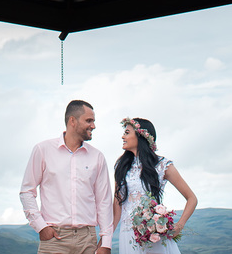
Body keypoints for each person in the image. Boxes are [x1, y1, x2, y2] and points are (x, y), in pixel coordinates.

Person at [20, 99, 114, 254]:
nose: (93, 126)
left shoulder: (97, 157)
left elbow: (103, 201)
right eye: (88, 121)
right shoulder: (42, 150)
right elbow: (26, 191)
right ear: (72, 121)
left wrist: (106, 242)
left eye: (94, 121)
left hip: (87, 240)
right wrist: (41, 226)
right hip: (54, 239)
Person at [113, 117, 197, 254]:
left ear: (140, 135)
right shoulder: (121, 166)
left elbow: (192, 198)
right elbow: (116, 207)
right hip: (128, 236)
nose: (123, 136)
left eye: (127, 132)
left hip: (154, 237)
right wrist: (105, 241)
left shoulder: (162, 165)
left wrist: (179, 226)